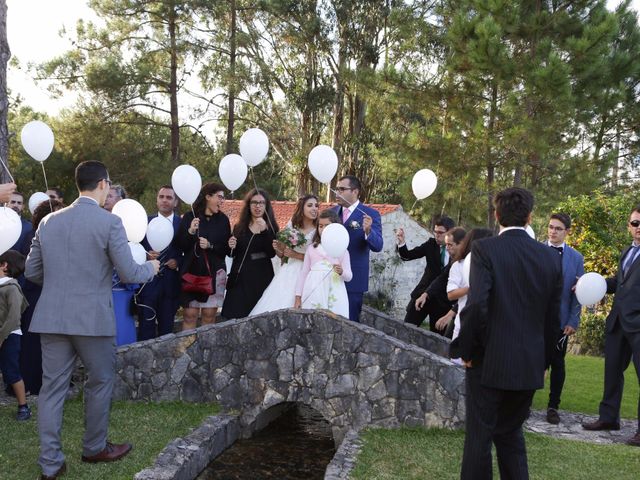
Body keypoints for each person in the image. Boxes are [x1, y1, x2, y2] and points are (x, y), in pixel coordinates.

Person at [25, 160, 160, 479]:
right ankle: (95, 447)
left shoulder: (48, 222)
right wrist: (152, 270)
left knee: (52, 389)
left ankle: (50, 464)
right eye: (109, 187)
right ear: (103, 184)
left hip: (52, 317)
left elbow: (32, 272)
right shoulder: (109, 223)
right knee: (100, 381)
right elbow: (130, 272)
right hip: (93, 320)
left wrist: (61, 285)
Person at [456, 187, 562, 480]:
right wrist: (544, 363)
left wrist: (469, 352)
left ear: (496, 214)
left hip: (488, 362)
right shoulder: (550, 257)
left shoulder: (485, 249)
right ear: (529, 217)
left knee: (479, 438)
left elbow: (477, 305)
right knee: (511, 436)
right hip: (528, 363)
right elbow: (553, 319)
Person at [582, 205, 640, 447]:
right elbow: (619, 282)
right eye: (635, 223)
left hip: (639, 325)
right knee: (612, 373)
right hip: (617, 322)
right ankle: (608, 418)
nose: (638, 228)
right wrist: (590, 283)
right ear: (629, 226)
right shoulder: (627, 251)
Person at [19, 200, 65, 396]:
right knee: (32, 339)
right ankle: (30, 382)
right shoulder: (33, 236)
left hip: (53, 292)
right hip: (35, 292)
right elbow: (30, 269)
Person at [544, 213, 584, 425]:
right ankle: (522, 405)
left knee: (557, 365)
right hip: (535, 319)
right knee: (532, 362)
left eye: (558, 228)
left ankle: (553, 407)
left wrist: (573, 320)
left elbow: (579, 293)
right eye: (551, 227)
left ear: (567, 231)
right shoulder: (536, 251)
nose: (553, 231)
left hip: (561, 321)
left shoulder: (577, 258)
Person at [251, 194, 319, 315]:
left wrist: (296, 255)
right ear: (302, 208)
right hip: (288, 270)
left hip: (308, 272)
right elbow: (282, 255)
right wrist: (279, 248)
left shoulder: (319, 229)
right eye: (310, 205)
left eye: (316, 206)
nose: (314, 208)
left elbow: (319, 258)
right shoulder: (293, 226)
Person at [176, 183, 231, 330]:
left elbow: (226, 249)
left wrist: (210, 245)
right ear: (208, 196)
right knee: (190, 315)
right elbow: (181, 246)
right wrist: (190, 232)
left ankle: (206, 353)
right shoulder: (189, 217)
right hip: (191, 274)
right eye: (219, 197)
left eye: (223, 198)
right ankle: (187, 352)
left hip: (214, 274)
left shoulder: (223, 220)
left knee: (209, 315)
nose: (222, 201)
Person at [222, 188, 278, 320]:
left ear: (266, 205)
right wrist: (231, 246)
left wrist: (264, 231)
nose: (258, 206)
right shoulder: (239, 226)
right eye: (254, 202)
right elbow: (232, 254)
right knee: (234, 317)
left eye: (261, 203)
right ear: (248, 205)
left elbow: (271, 253)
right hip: (240, 278)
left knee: (258, 318)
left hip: (261, 277)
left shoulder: (271, 226)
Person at [333, 175, 383, 322]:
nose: (337, 193)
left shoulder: (370, 214)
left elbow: (378, 246)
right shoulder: (332, 212)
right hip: (331, 276)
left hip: (354, 279)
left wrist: (368, 231)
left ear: (355, 192)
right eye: (336, 189)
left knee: (350, 323)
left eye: (342, 189)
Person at [137, 185, 183, 339]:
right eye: (161, 197)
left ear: (175, 202)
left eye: (169, 197)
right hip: (148, 285)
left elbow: (189, 251)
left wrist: (177, 261)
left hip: (171, 285)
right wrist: (145, 256)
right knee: (146, 327)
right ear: (157, 200)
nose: (164, 200)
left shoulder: (182, 224)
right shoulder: (144, 222)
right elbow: (134, 248)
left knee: (167, 331)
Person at [397, 215, 455, 331]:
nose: (436, 235)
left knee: (437, 338)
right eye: (435, 232)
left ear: (450, 233)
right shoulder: (430, 244)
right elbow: (407, 255)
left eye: (440, 232)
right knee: (406, 329)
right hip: (422, 294)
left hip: (442, 301)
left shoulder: (458, 251)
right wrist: (401, 242)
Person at [438, 228, 493, 351]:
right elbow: (451, 294)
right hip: (464, 323)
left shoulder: (491, 265)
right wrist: (473, 288)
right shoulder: (458, 265)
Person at [294, 209, 352, 317]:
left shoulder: (343, 250)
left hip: (334, 290)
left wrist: (342, 272)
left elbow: (349, 276)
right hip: (313, 289)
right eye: (320, 226)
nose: (323, 229)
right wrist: (298, 297)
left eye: (327, 226)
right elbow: (304, 273)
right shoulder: (311, 248)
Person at [0, 250, 30, 421]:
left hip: (9, 336)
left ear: (4, 265)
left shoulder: (11, 288)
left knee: (11, 372)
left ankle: (23, 406)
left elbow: (13, 317)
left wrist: (1, 338)